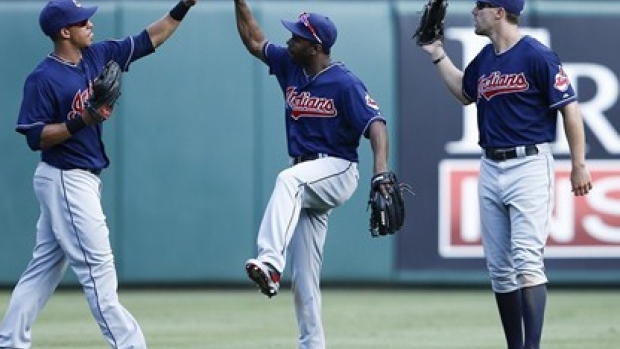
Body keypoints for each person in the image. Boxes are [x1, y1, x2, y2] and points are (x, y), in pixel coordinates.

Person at [0, 0, 197, 348]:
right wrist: (82, 120)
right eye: (82, 21)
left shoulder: (97, 55)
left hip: (82, 179)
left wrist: (183, 6)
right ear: (65, 31)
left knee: (43, 270)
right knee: (98, 269)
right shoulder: (43, 77)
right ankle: (130, 344)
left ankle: (10, 342)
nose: (90, 23)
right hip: (64, 177)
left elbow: (150, 38)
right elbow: (36, 136)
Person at [419, 1, 592, 348]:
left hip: (529, 163)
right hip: (490, 164)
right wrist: (437, 54)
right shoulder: (484, 59)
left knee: (527, 259)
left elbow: (570, 109)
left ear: (499, 12)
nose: (473, 12)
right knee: (499, 268)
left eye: (480, 6)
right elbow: (465, 94)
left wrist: (579, 164)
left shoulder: (537, 55)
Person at [233, 1, 391, 348]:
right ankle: (312, 344)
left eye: (298, 37)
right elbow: (253, 40)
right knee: (304, 276)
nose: (290, 40)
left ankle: (271, 262)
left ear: (316, 47)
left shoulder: (344, 82)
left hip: (337, 170)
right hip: (309, 176)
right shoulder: (290, 65)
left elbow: (376, 126)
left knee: (288, 180)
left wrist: (380, 174)